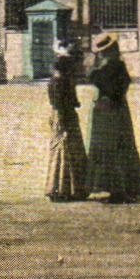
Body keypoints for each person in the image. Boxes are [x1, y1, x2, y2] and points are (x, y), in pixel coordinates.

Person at [86, 33, 140, 203]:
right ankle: (120, 188)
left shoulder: (111, 66)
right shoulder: (116, 65)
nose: (100, 54)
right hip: (114, 110)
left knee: (112, 148)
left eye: (102, 51)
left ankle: (117, 190)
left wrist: (94, 73)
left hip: (110, 111)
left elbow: (105, 85)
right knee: (117, 147)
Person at [44, 41, 89, 202]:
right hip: (64, 116)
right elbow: (62, 104)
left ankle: (61, 188)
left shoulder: (56, 81)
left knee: (63, 151)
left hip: (62, 116)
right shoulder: (61, 82)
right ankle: (67, 189)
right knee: (66, 150)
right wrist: (63, 124)